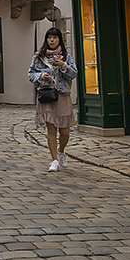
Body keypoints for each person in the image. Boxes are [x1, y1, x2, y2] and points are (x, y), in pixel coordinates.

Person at [30, 27, 78, 172]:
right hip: (47, 95)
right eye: (49, 37)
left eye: (54, 38)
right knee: (51, 129)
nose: (52, 40)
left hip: (62, 95)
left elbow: (74, 74)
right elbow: (30, 74)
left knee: (65, 131)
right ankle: (54, 160)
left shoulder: (66, 56)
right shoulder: (39, 57)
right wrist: (41, 76)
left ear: (59, 40)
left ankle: (61, 150)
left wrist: (64, 66)